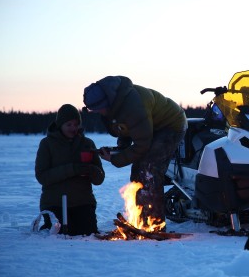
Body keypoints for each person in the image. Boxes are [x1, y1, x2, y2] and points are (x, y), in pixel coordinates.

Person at [82, 76, 187, 230]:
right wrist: (121, 147)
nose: (98, 112)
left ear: (105, 102)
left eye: (98, 109)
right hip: (149, 129)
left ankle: (155, 224)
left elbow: (142, 145)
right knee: (137, 171)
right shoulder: (115, 104)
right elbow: (125, 128)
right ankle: (140, 218)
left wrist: (114, 159)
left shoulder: (133, 105)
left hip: (170, 125)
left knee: (149, 170)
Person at [35, 104, 105, 236]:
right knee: (59, 235)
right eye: (69, 125)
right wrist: (73, 169)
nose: (73, 128)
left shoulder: (87, 143)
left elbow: (99, 179)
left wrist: (92, 170)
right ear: (60, 125)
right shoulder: (47, 144)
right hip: (55, 203)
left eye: (76, 124)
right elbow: (42, 176)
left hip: (83, 202)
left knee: (87, 235)